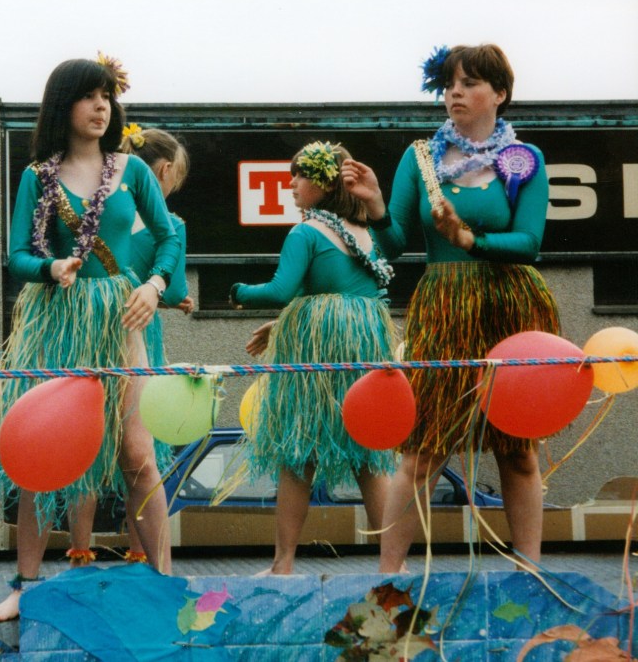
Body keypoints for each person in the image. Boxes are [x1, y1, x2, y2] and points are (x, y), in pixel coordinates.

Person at [341, 44, 558, 573]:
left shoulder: (523, 160)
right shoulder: (421, 157)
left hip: (509, 305)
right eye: (448, 85)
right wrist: (375, 207)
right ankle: (389, 577)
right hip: (443, 306)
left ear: (499, 94)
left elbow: (529, 242)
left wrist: (470, 240)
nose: (454, 93)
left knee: (518, 450)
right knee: (422, 449)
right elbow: (393, 246)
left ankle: (529, 572)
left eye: (469, 83)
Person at [0, 56, 180, 621]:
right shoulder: (37, 177)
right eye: (89, 96)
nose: (101, 106)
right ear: (62, 105)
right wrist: (52, 268)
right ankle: (24, 586)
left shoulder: (133, 170)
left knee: (138, 454)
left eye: (107, 96)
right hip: (60, 320)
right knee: (42, 455)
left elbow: (168, 239)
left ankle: (165, 585)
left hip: (120, 320)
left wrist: (155, 285)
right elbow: (17, 255)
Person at [229, 141, 397, 575]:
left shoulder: (305, 232)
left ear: (325, 183)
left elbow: (281, 290)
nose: (290, 184)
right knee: (368, 455)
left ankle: (283, 563)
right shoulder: (365, 233)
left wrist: (238, 292)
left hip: (319, 348)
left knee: (298, 454)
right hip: (364, 342)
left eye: (299, 175)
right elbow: (340, 286)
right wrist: (283, 323)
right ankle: (392, 566)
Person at [65, 126, 193, 567]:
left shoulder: (103, 208)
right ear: (166, 171)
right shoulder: (170, 224)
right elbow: (175, 288)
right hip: (135, 332)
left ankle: (79, 550)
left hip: (85, 328)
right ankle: (141, 553)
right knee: (139, 451)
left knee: (86, 441)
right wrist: (173, 298)